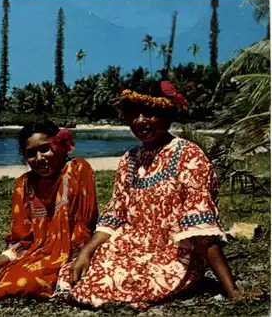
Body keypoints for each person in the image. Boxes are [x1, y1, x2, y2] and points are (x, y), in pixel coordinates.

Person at [68, 81, 241, 309]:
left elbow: (202, 227)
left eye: (149, 114)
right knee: (79, 277)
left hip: (175, 252)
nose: (140, 121)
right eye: (133, 115)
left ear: (167, 116)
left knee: (119, 282)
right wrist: (87, 252)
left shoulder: (189, 156)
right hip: (132, 245)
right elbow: (114, 217)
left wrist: (233, 291)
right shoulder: (129, 160)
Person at [0, 120, 99, 305]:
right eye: (31, 154)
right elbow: (24, 240)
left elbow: (81, 231)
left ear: (61, 147)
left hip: (73, 253)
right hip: (35, 254)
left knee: (17, 283)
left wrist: (59, 260)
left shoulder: (77, 170)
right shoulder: (24, 184)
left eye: (45, 149)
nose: (39, 158)